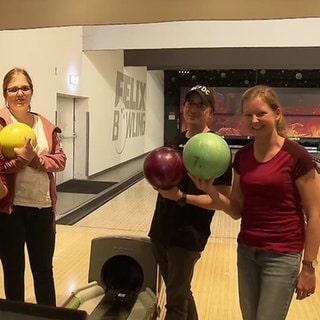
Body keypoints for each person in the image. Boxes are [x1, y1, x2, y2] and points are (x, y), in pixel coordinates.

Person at [191, 85, 320, 320]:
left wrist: (309, 266)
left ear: (277, 113)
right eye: (249, 114)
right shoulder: (243, 157)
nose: (254, 119)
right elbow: (236, 210)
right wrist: (211, 191)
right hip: (248, 252)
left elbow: (314, 215)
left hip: (283, 255)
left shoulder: (297, 156)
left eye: (261, 113)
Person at [148, 85, 232, 320]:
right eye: (189, 104)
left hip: (188, 235)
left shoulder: (218, 149)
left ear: (210, 113)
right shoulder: (173, 142)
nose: (193, 109)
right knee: (182, 291)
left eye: (200, 105)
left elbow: (222, 200)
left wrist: (183, 197)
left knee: (174, 302)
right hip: (161, 229)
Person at [0, 67, 67, 306]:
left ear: (32, 91)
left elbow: (60, 160)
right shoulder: (0, 123)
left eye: (24, 88)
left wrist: (36, 160)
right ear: (5, 93)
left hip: (42, 206)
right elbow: (0, 166)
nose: (20, 93)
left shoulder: (45, 125)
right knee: (13, 271)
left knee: (43, 271)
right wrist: (22, 160)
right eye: (13, 89)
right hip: (10, 211)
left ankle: (47, 315)